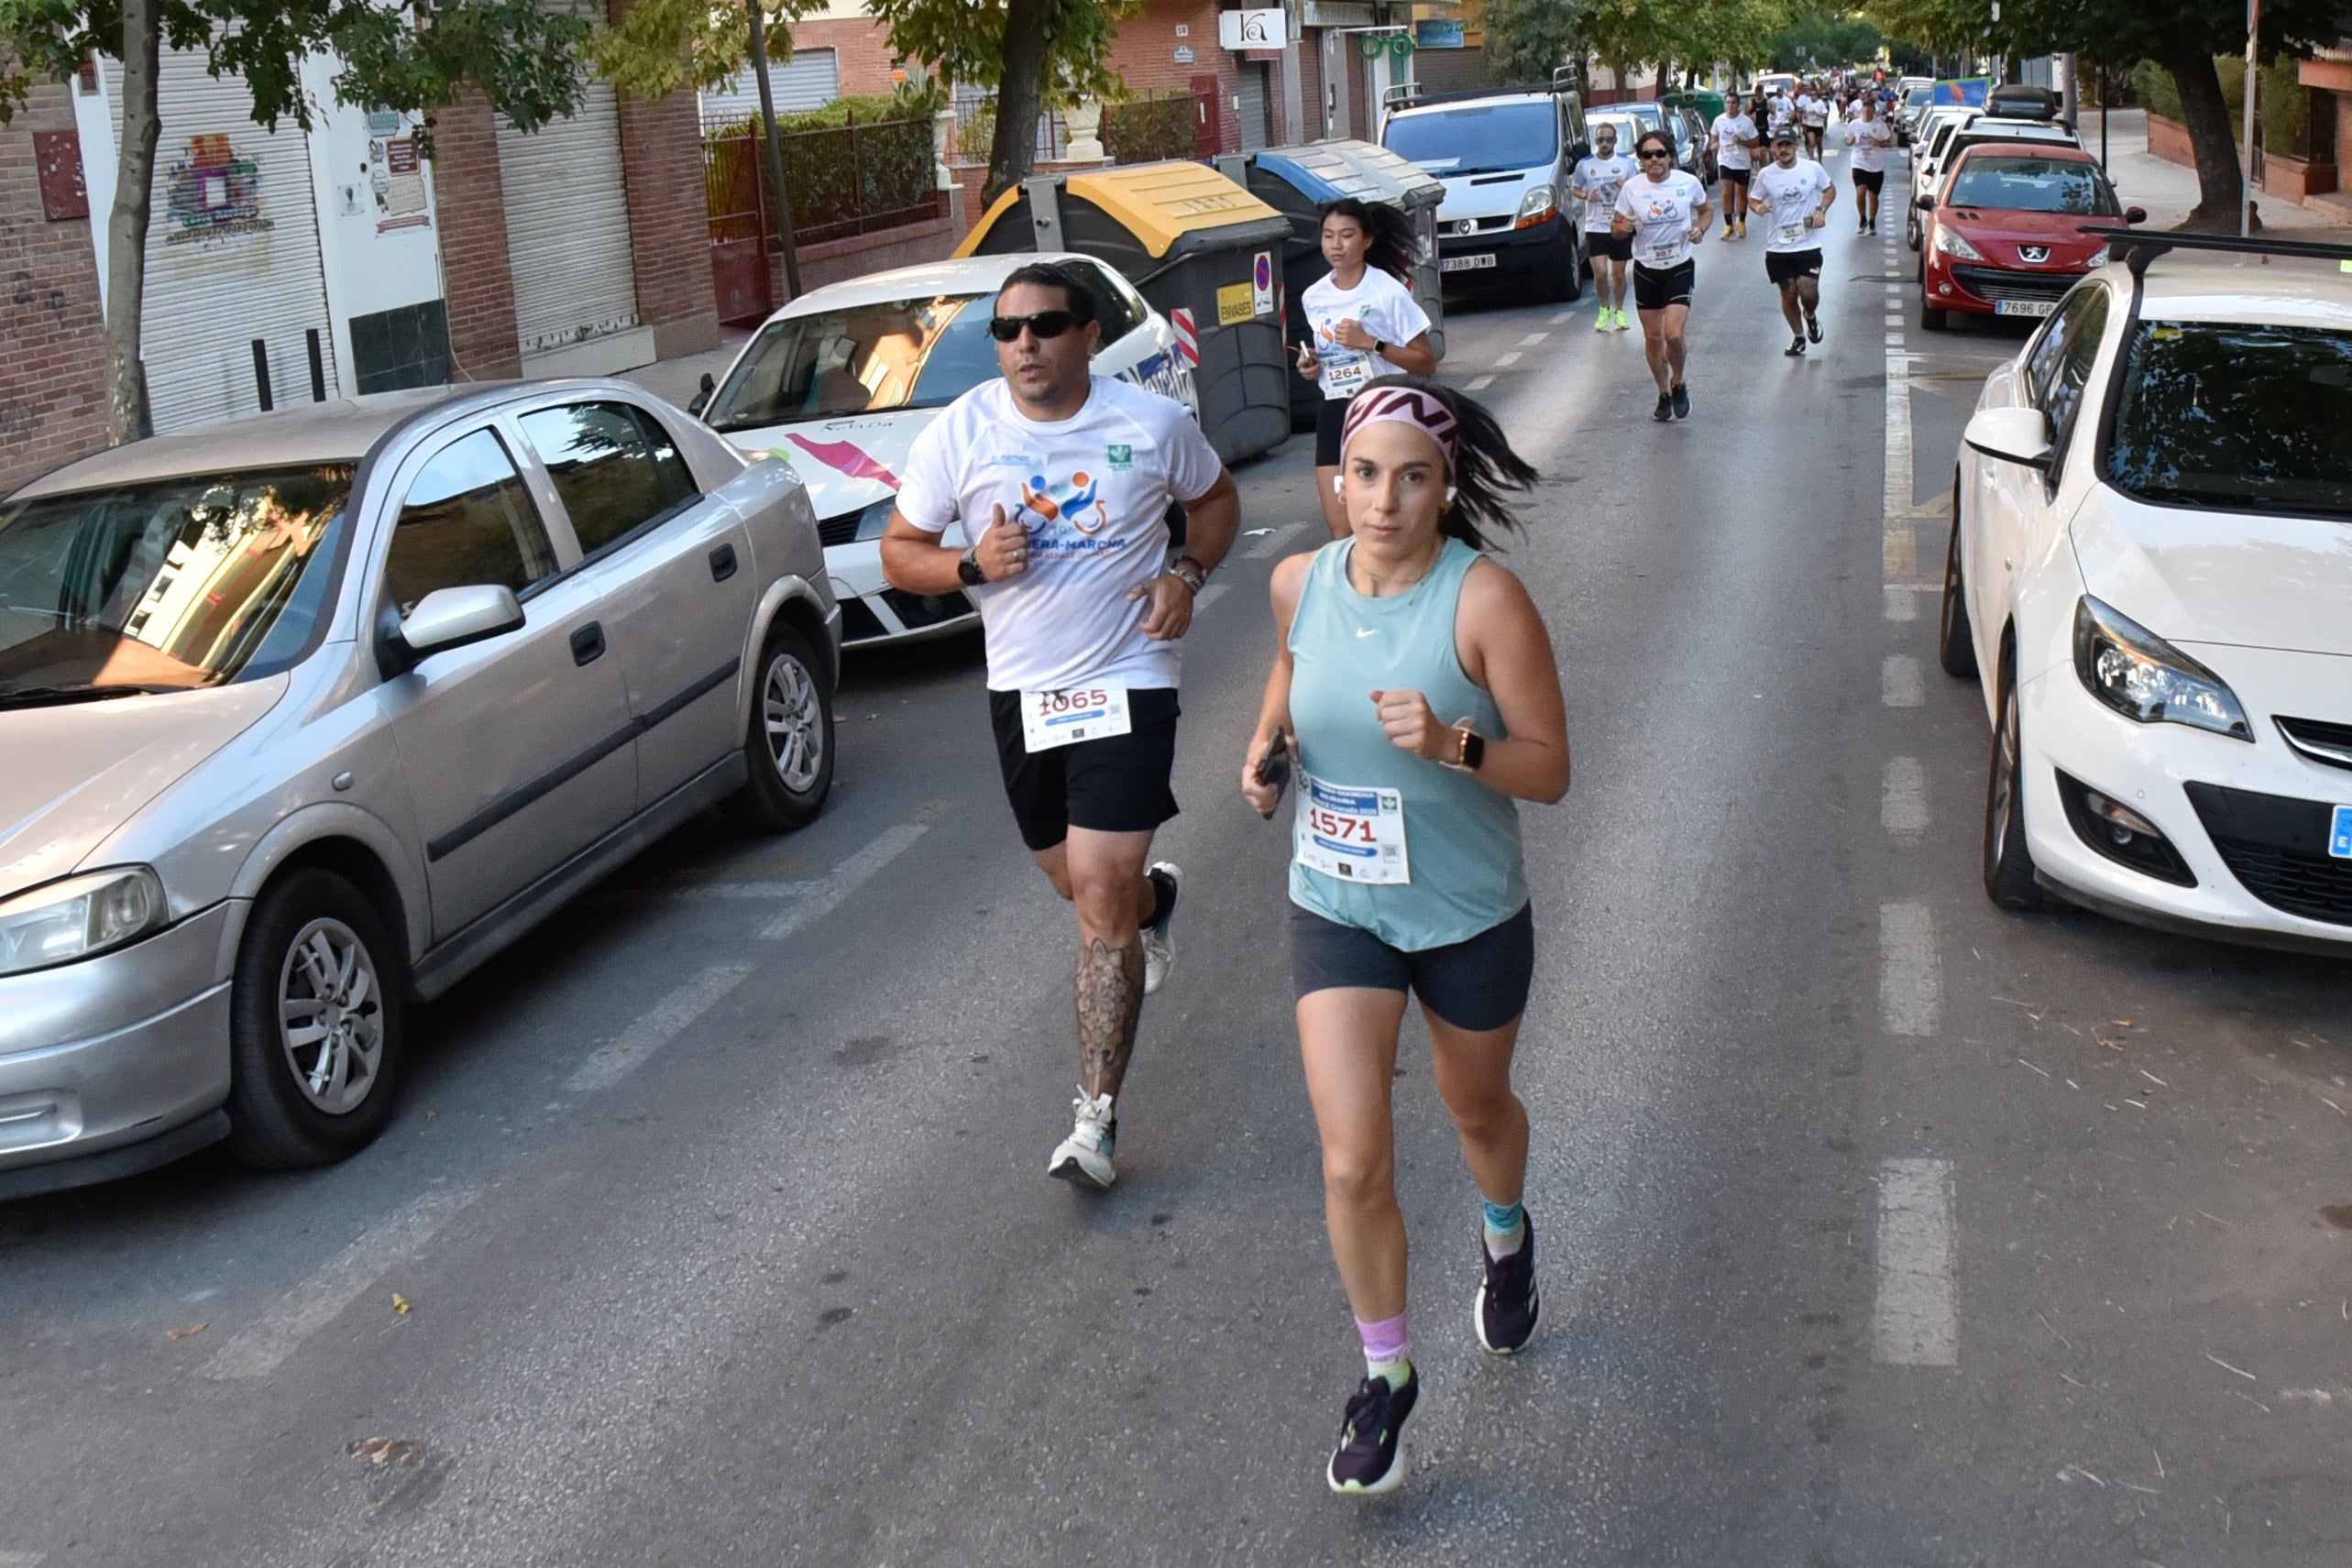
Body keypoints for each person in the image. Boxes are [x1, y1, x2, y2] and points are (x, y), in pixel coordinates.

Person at [1239, 377, 1569, 1497]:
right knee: (1350, 1155)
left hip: (1467, 911)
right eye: (1362, 473)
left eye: (1410, 477)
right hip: (1338, 905)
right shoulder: (1300, 583)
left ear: (1443, 488)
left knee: (1475, 1109)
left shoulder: (1484, 603)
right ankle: (1386, 1375)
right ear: (1336, 478)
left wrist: (1450, 743)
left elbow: (1552, 770)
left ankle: (1507, 1234)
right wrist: (1266, 747)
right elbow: (1290, 669)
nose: (1381, 500)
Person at [880, 261, 1242, 1190]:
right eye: (1006, 331)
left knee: (1096, 897)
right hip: (1024, 692)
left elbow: (1215, 502)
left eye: (1045, 325)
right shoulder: (961, 431)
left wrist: (1186, 577)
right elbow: (899, 551)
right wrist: (968, 565)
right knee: (1071, 881)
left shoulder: (1149, 423)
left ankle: (1094, 1120)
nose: (1024, 345)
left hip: (1128, 676)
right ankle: (1155, 904)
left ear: (1088, 334)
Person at [1294, 198, 1439, 540]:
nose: (1336, 245)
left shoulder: (1387, 291)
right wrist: (1312, 366)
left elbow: (1426, 361)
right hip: (1336, 409)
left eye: (1346, 235)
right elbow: (1326, 357)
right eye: (1328, 236)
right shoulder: (1314, 296)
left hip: (1384, 408)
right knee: (1341, 528)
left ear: (1367, 240)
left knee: (1383, 523)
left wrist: (1372, 343)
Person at [1612, 129, 1713, 421]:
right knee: (1654, 338)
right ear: (1641, 160)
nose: (1654, 159)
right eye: (1647, 155)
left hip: (1679, 265)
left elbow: (1706, 211)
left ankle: (1678, 382)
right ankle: (1662, 392)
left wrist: (1700, 229)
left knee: (1674, 334)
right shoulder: (1632, 188)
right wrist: (1624, 228)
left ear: (1669, 156)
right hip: (1646, 268)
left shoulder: (1688, 182)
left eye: (1660, 153)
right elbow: (1616, 228)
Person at [1749, 127, 1836, 356]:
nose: (1784, 149)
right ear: (1773, 148)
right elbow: (1753, 197)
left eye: (1788, 144)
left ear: (1796, 145)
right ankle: (1798, 337)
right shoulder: (1766, 175)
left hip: (1808, 243)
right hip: (1778, 246)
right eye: (1779, 145)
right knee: (1788, 295)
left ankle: (1810, 316)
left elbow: (1829, 190)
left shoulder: (1812, 169)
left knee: (1807, 292)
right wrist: (1757, 207)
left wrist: (1821, 209)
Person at [1569, 123, 1638, 329]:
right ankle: (1603, 308)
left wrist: (1623, 186)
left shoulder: (1626, 163)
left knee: (1618, 273)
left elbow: (1637, 190)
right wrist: (1586, 195)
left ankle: (1619, 310)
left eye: (1609, 139)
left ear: (1615, 141)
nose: (1604, 144)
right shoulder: (1585, 164)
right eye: (1600, 140)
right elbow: (1574, 188)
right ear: (1596, 142)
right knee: (1600, 272)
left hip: (1619, 224)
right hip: (1595, 225)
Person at [1709, 98, 1761, 240]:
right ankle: (1728, 225)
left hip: (1742, 162)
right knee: (1726, 191)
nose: (1730, 105)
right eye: (1727, 102)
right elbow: (1714, 139)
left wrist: (1742, 141)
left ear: (1738, 105)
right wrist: (1714, 145)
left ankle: (1742, 222)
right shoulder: (1719, 121)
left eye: (1733, 103)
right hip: (1725, 160)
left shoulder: (1746, 122)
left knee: (1740, 192)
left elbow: (1756, 141)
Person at [1842, 93, 1894, 233]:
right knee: (1861, 191)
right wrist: (1851, 141)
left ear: (1873, 110)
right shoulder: (1854, 124)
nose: (1866, 111)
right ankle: (1862, 218)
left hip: (1876, 165)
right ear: (1861, 110)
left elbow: (1889, 142)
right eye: (1864, 108)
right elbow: (1846, 140)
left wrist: (1877, 142)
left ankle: (1872, 222)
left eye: (1869, 108)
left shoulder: (1880, 125)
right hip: (1858, 163)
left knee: (1873, 196)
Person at [1799, 82, 1830, 160]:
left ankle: (1820, 159)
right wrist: (1804, 114)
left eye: (1813, 95)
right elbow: (1802, 112)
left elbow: (1825, 114)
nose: (1812, 97)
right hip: (1810, 126)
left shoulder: (1820, 103)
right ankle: (1811, 160)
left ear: (1817, 96)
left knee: (1819, 145)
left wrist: (1817, 114)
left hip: (1818, 126)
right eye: (1811, 95)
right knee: (1811, 143)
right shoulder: (1807, 104)